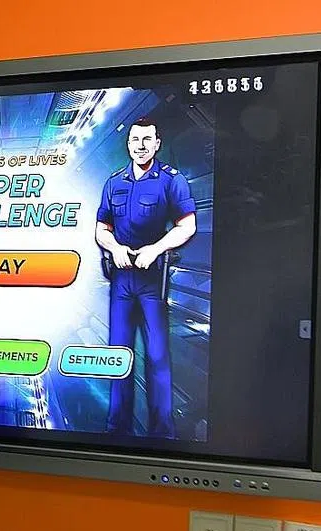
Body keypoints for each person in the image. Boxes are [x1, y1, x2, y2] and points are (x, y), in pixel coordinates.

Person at [95, 116, 197, 437]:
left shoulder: (171, 180)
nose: (140, 146)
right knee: (119, 356)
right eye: (135, 140)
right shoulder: (114, 182)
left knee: (157, 357)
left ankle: (162, 434)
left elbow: (187, 225)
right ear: (128, 144)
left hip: (152, 279)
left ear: (157, 143)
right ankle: (117, 430)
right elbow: (101, 229)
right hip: (121, 280)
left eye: (146, 140)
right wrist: (114, 247)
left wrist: (156, 248)